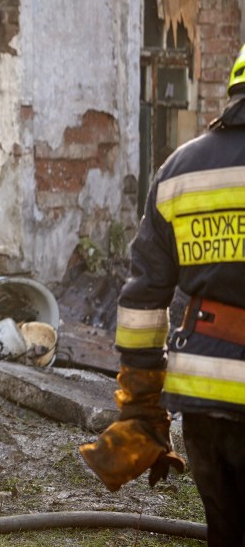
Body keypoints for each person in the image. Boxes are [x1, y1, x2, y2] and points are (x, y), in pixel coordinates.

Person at [80, 43, 245, 546]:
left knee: (227, 529)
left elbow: (143, 302)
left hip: (205, 395)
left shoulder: (180, 171)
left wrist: (142, 409)